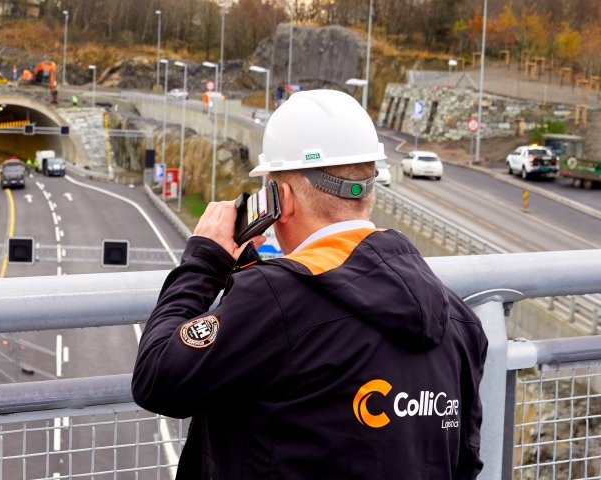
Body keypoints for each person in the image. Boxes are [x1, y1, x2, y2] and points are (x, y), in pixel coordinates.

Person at [132, 89, 487, 479]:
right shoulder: (460, 321)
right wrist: (250, 279)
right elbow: (464, 463)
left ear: (279, 198)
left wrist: (203, 262)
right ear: (366, 189)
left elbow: (157, 377)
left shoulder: (274, 302)